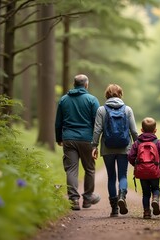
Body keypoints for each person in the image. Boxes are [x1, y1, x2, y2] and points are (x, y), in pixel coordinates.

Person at [55, 74, 101, 211]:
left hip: (69, 139)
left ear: (74, 84)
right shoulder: (92, 100)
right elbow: (97, 123)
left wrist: (59, 138)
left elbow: (58, 122)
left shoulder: (63, 100)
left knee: (71, 170)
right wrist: (96, 142)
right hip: (87, 139)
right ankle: (87, 198)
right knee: (90, 169)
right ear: (86, 84)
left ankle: (74, 199)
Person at [92, 84, 138, 217]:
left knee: (111, 177)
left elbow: (97, 130)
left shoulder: (101, 110)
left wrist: (94, 146)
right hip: (124, 147)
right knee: (122, 175)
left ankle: (114, 209)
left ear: (107, 95)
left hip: (108, 148)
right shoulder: (127, 109)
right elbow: (134, 130)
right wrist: (138, 145)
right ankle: (122, 195)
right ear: (120, 94)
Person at [128, 117, 160, 219]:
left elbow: (130, 157)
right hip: (154, 171)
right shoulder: (157, 142)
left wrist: (136, 166)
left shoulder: (137, 143)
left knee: (145, 193)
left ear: (142, 130)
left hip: (142, 172)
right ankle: (155, 199)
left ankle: (147, 213)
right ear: (155, 130)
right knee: (156, 188)